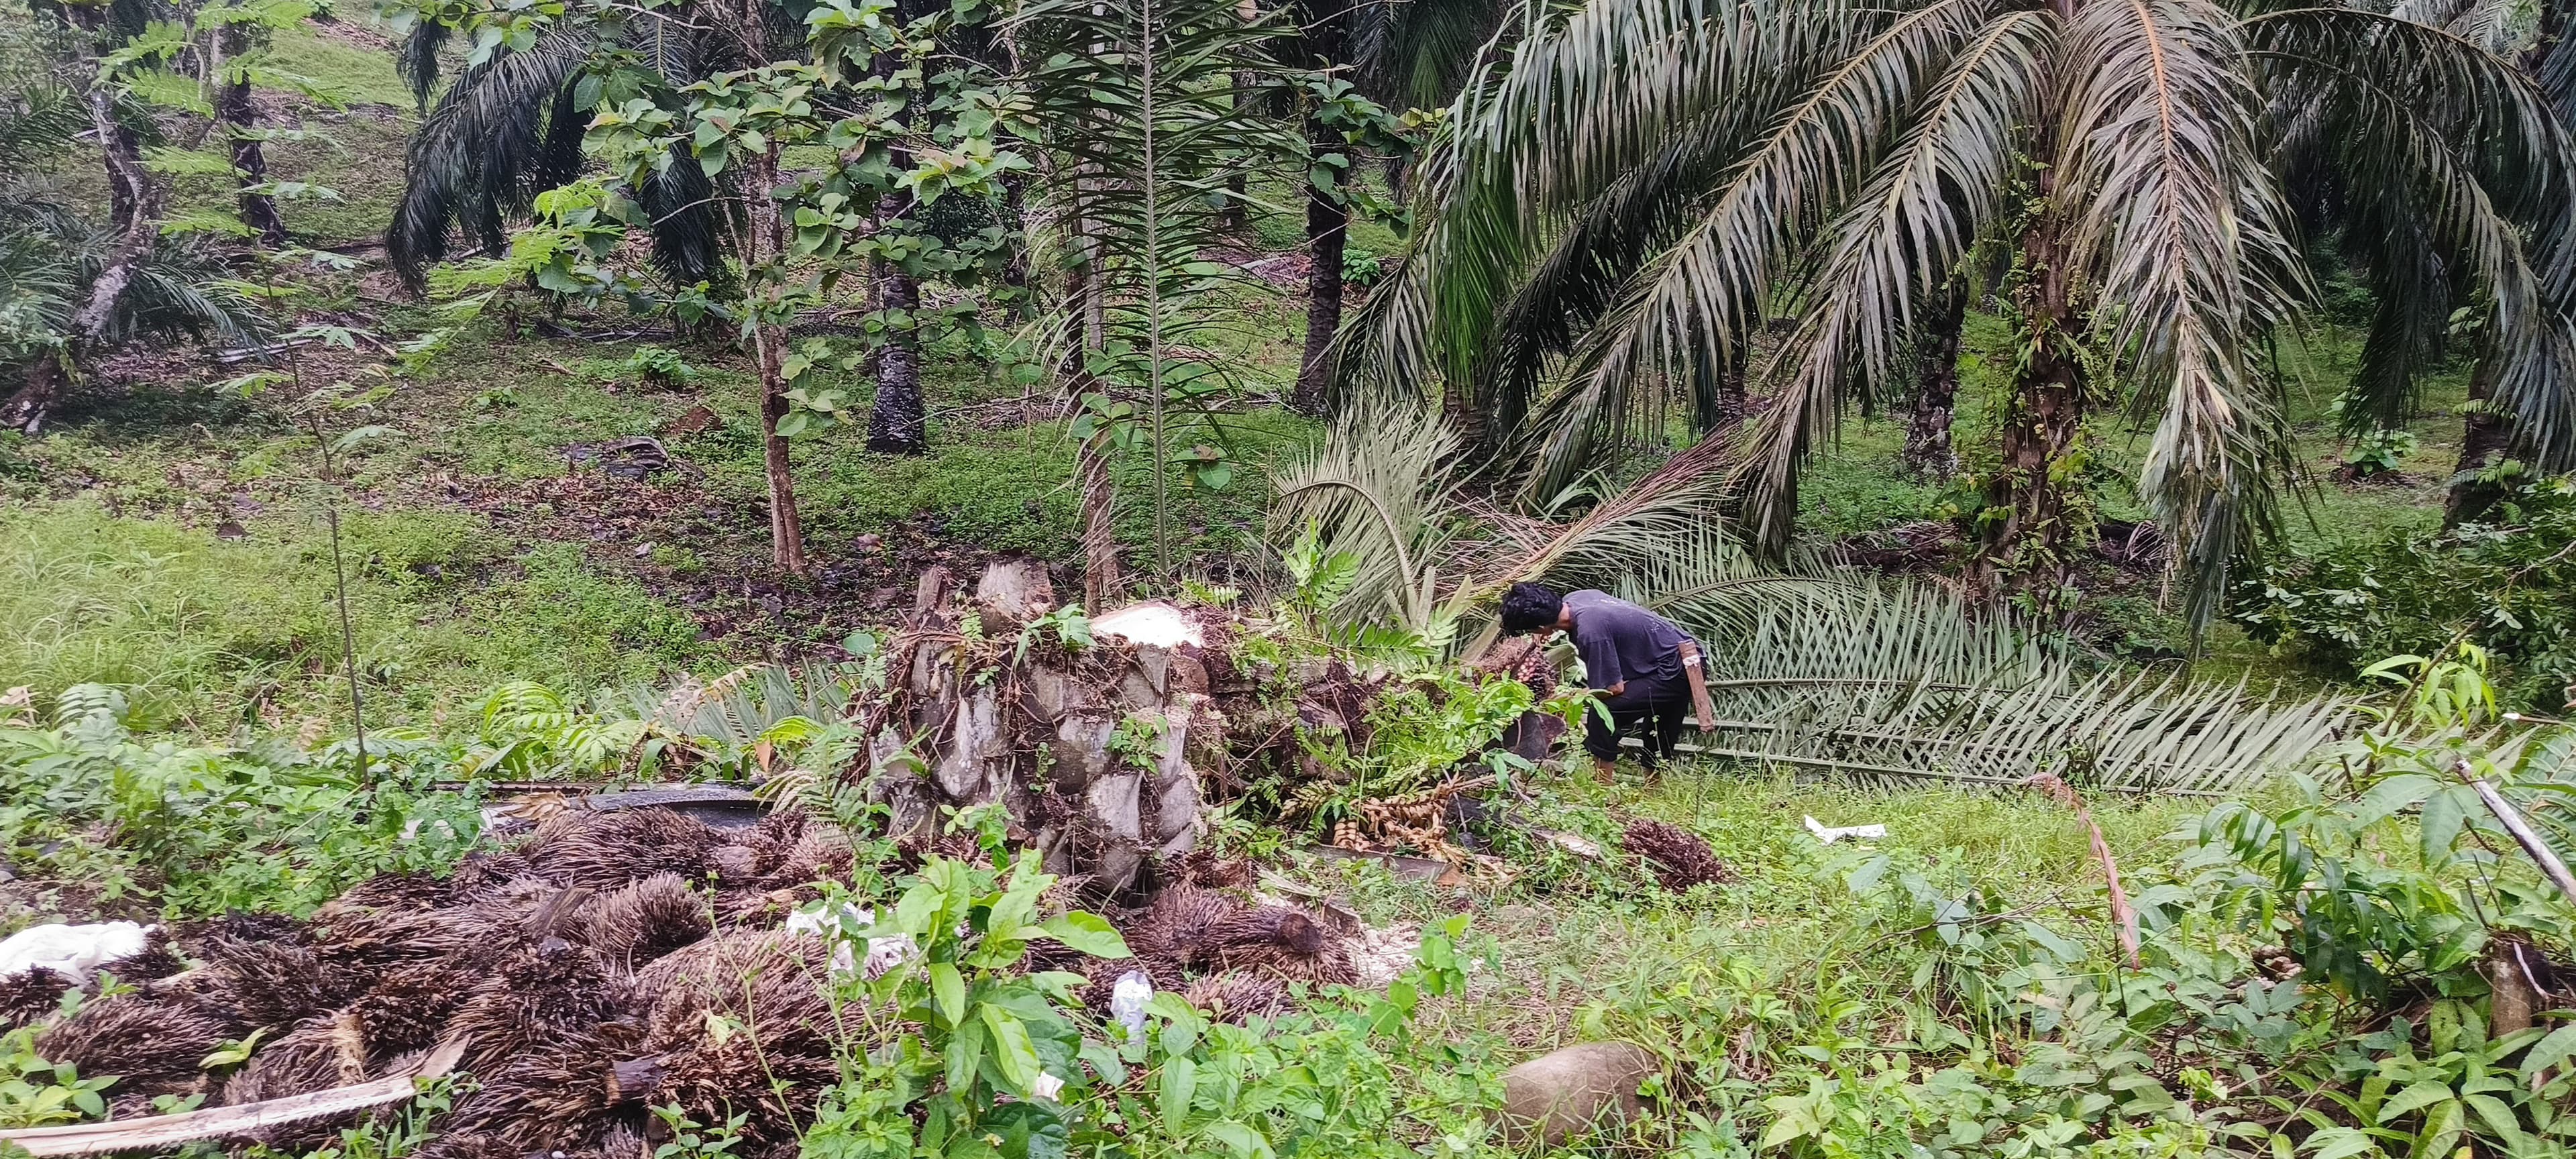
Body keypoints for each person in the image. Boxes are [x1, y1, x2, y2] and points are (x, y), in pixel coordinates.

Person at [1498, 582, 1717, 783]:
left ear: (1540, 626)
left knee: (1606, 712)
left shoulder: (1590, 632)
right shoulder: (1579, 598)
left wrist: (1572, 696)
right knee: (1660, 723)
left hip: (1676, 669)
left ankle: (1604, 786)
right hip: (1683, 654)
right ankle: (1653, 786)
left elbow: (1612, 688)